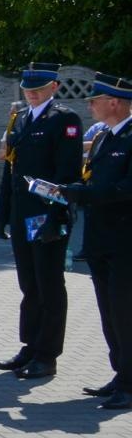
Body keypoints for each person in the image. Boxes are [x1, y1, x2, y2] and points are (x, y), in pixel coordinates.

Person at [0, 63, 82, 379]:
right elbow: (10, 169)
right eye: (28, 88)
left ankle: (47, 355)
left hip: (47, 215)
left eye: (39, 88)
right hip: (21, 214)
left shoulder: (64, 119)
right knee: (29, 285)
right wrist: (2, 213)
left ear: (54, 87)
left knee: (49, 285)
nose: (31, 93)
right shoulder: (20, 118)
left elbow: (67, 175)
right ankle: (30, 347)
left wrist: (56, 218)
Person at [61, 73, 132, 410]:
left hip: (125, 243)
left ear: (114, 102)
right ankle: (121, 374)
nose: (90, 105)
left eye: (95, 99)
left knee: (124, 313)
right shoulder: (104, 137)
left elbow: (125, 189)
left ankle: (130, 385)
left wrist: (83, 194)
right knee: (108, 312)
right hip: (102, 240)